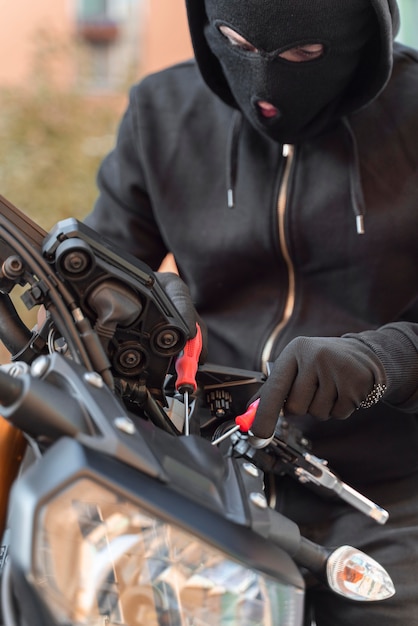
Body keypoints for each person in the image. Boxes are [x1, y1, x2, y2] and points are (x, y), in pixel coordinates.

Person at [85, 1, 418, 623]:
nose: (265, 86)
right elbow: (97, 282)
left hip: (391, 486)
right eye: (236, 43)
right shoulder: (161, 113)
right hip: (205, 469)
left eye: (301, 56)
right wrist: (138, 312)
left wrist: (382, 359)